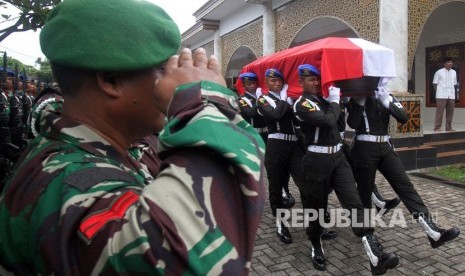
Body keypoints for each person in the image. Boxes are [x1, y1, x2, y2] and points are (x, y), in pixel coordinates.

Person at [0, 0, 266, 275]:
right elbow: (192, 260)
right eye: (164, 71)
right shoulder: (66, 182)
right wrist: (203, 103)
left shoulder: (108, 145)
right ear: (112, 80)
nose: (171, 84)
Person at [293, 64, 399, 275]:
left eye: (317, 79)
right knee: (317, 208)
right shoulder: (301, 104)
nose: (315, 82)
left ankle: (375, 255)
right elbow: (327, 121)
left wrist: (341, 102)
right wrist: (334, 102)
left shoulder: (326, 101)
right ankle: (316, 245)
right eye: (310, 79)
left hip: (338, 157)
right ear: (300, 82)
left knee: (355, 203)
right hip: (317, 161)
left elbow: (339, 124)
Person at [346, 86, 460, 249]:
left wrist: (387, 101)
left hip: (384, 147)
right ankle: (366, 233)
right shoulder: (356, 97)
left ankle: (432, 232)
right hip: (364, 148)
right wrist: (359, 102)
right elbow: (352, 123)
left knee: (405, 186)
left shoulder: (387, 95)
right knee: (364, 192)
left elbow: (403, 117)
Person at [256, 68, 305, 244]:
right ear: (266, 83)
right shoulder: (263, 100)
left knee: (305, 183)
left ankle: (315, 225)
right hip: (276, 146)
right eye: (272, 81)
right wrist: (284, 98)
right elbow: (275, 115)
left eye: (279, 81)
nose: (276, 84)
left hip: (294, 146)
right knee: (276, 187)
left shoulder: (289, 99)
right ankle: (280, 224)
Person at [237, 71, 296, 210]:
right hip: (251, 136)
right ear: (244, 86)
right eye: (248, 84)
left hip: (266, 134)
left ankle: (284, 191)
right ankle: (248, 192)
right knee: (252, 166)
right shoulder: (243, 100)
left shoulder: (266, 98)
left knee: (274, 168)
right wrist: (258, 99)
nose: (251, 86)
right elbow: (251, 113)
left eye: (253, 83)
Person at [432, 57, 457, 132]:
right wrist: (439, 91)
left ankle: (448, 128)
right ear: (444, 64)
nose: (451, 63)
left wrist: (451, 91)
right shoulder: (439, 72)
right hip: (441, 95)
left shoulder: (454, 72)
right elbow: (434, 84)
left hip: (451, 95)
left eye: (451, 62)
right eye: (449, 62)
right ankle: (437, 128)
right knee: (440, 112)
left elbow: (454, 84)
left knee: (450, 113)